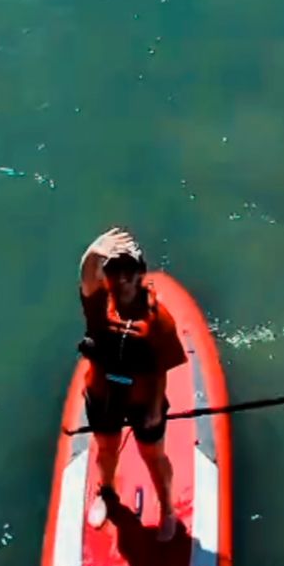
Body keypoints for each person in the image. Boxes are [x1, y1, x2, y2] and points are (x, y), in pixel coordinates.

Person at [78, 228, 186, 541]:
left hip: (142, 402)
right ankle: (106, 494)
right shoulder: (100, 306)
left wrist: (154, 407)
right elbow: (86, 280)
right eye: (114, 269)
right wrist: (93, 252)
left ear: (140, 273)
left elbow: (162, 367)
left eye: (129, 270)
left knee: (154, 456)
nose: (122, 277)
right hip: (103, 396)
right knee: (106, 450)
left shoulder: (159, 319)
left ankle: (167, 509)